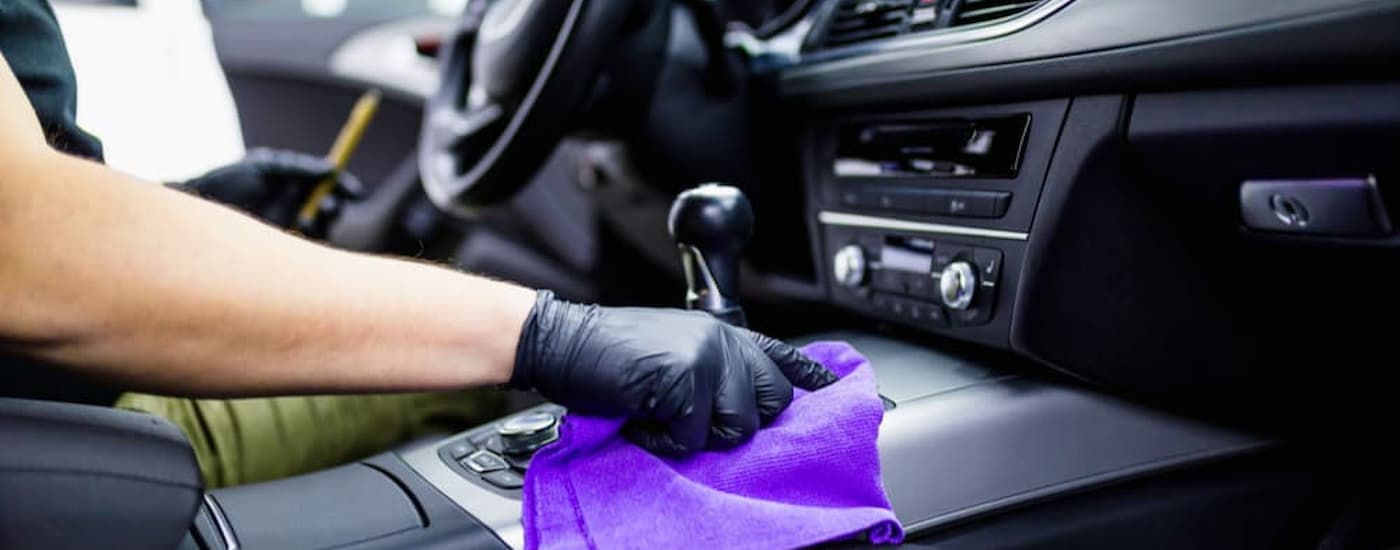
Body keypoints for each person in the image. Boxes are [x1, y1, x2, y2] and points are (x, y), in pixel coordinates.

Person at [0, 0, 835, 488]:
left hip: (54, 400)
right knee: (478, 390)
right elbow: (22, 243)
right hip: (72, 424)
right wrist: (544, 335)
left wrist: (192, 205)